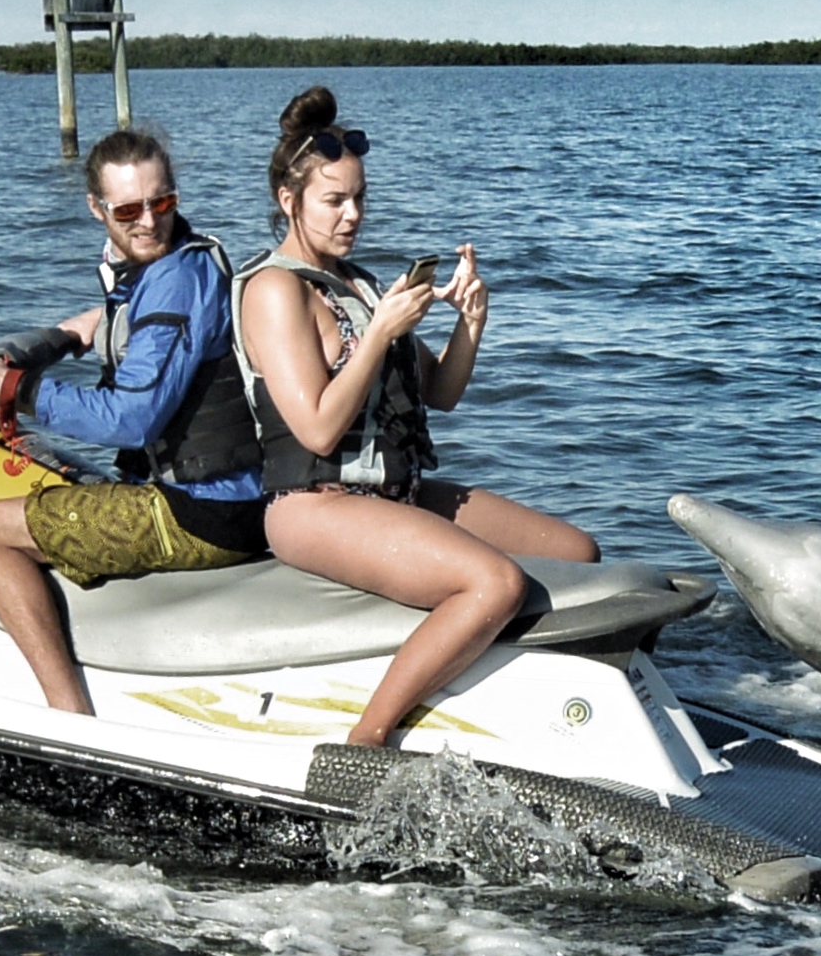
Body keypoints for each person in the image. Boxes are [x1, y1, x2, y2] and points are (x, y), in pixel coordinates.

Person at [232, 86, 598, 748]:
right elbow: (315, 428)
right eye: (334, 201)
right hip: (313, 503)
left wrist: (472, 322)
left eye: (360, 199)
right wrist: (376, 337)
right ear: (289, 202)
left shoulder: (362, 285)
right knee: (494, 582)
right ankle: (367, 738)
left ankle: (524, 696)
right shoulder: (274, 291)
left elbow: (442, 392)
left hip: (392, 493)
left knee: (578, 556)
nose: (353, 216)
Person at [0, 128, 264, 715]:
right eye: (128, 209)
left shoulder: (175, 277)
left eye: (162, 203)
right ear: (98, 209)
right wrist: (73, 332)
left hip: (200, 512)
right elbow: (134, 318)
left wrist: (17, 387)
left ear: (174, 195)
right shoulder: (175, 263)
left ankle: (68, 717)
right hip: (225, 494)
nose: (148, 221)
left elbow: (132, 419)